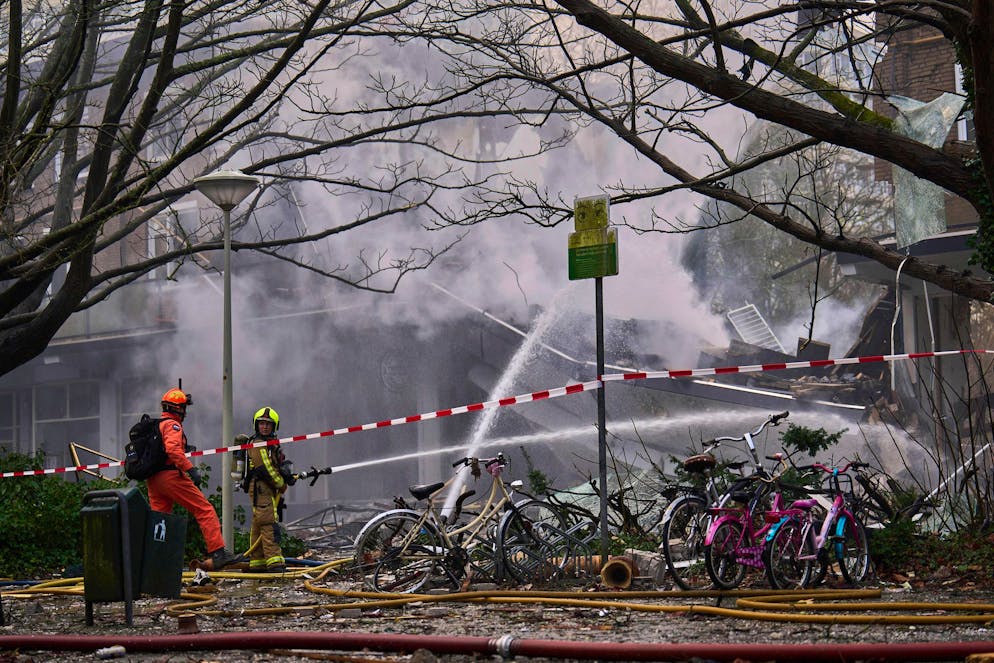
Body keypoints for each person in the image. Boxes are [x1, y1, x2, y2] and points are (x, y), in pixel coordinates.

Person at [146, 387, 243, 570]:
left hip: (154, 480)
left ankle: (157, 564)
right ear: (178, 409)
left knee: (160, 521)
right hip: (170, 477)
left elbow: (166, 449)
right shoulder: (173, 425)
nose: (185, 412)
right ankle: (218, 553)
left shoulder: (157, 425)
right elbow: (173, 450)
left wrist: (185, 447)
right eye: (183, 408)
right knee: (204, 509)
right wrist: (191, 470)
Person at [243, 406, 294, 573]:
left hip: (265, 487)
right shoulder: (258, 444)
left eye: (268, 424)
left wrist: (286, 473)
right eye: (262, 423)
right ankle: (274, 562)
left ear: (274, 426)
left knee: (259, 522)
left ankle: (257, 562)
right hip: (261, 487)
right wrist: (281, 483)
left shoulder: (270, 444)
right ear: (256, 425)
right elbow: (265, 468)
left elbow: (275, 464)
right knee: (268, 522)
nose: (264, 427)